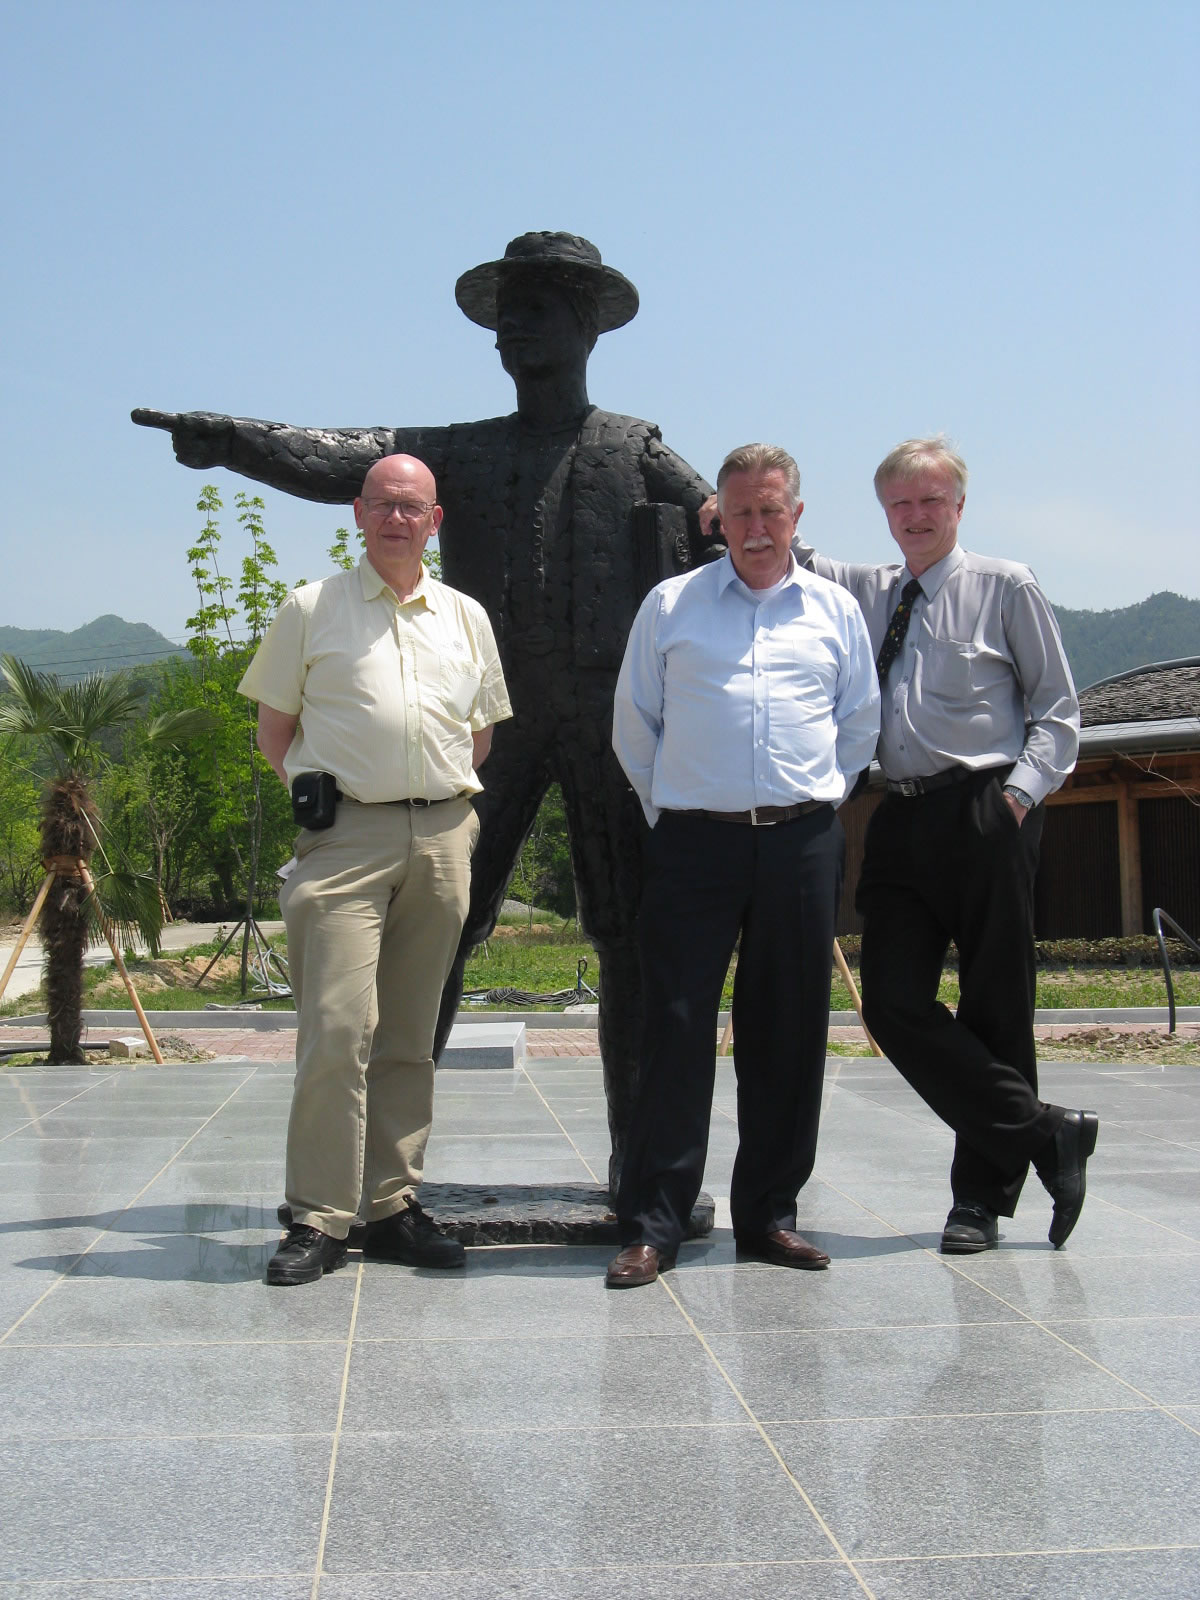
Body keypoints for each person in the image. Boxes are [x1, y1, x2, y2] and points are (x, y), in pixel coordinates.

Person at [133, 231, 719, 1195]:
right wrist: (234, 440)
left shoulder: (635, 449)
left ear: (586, 327)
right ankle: (379, 1184)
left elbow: (729, 526)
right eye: (505, 317)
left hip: (611, 724)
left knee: (629, 941)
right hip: (484, 729)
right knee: (437, 935)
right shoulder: (462, 452)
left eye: (535, 312)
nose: (511, 332)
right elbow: (340, 457)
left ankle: (646, 1177)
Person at [704, 436, 1095, 1252]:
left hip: (988, 805)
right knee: (889, 1001)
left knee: (996, 1004)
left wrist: (1018, 798)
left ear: (960, 506)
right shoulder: (867, 588)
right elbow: (773, 531)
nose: (916, 517)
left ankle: (978, 1202)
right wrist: (708, 502)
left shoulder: (1006, 586)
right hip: (900, 812)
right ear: (884, 512)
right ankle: (1044, 1132)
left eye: (931, 502)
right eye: (901, 504)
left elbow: (1059, 712)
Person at [605, 444, 880, 1288]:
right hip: (695, 841)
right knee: (676, 1027)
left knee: (789, 1030)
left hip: (800, 842)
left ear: (796, 516)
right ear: (717, 519)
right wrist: (673, 811)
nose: (756, 528)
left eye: (770, 511)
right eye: (740, 513)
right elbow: (635, 725)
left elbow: (858, 724)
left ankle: (768, 1216)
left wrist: (813, 805)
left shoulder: (835, 610)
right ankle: (655, 1224)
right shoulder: (672, 604)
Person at [239, 453, 511, 1287]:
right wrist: (332, 801)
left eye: (412, 506)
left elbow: (479, 735)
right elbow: (273, 732)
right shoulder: (310, 608)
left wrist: (432, 803)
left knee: (409, 1036)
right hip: (345, 841)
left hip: (442, 837)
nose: (397, 519)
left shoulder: (466, 617)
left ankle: (392, 1206)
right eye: (382, 504)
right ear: (357, 514)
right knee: (335, 1029)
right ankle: (319, 1216)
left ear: (435, 521)